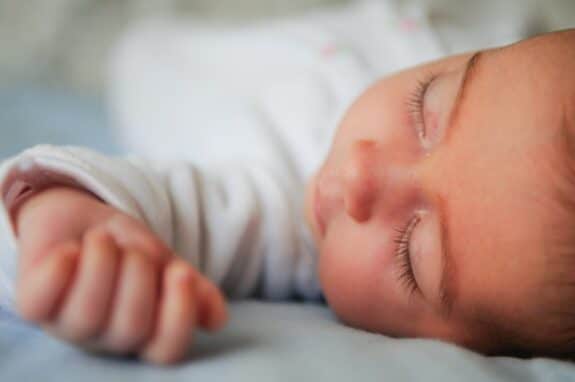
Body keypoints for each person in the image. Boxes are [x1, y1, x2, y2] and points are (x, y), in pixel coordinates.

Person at [1, 0, 574, 365]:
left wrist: (64, 223)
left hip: (137, 44)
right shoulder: (520, 61)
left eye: (412, 252)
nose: (359, 173)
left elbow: (157, 204)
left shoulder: (275, 215)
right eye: (427, 107)